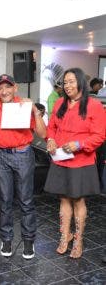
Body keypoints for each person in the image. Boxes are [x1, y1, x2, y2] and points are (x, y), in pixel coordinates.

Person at [44, 68, 105, 259]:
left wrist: (79, 144)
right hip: (61, 158)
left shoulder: (94, 106)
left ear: (80, 83)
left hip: (82, 160)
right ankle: (65, 236)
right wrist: (50, 140)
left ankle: (78, 240)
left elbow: (100, 136)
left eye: (71, 81)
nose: (68, 86)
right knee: (63, 199)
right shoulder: (60, 103)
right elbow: (51, 127)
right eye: (65, 82)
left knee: (78, 200)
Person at [0, 74, 46, 259]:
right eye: (0, 88)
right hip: (1, 156)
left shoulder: (24, 105)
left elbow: (42, 133)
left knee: (26, 201)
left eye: (8, 87)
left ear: (15, 87)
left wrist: (35, 111)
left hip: (23, 155)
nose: (4, 91)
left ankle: (29, 241)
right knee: (5, 201)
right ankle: (6, 239)